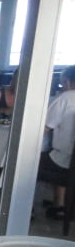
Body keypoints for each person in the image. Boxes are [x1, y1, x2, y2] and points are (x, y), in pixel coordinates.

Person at [39, 66, 75, 218]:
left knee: (28, 162)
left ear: (67, 82)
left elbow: (44, 127)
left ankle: (24, 208)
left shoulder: (65, 99)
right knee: (56, 152)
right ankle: (60, 203)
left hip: (63, 161)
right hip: (71, 159)